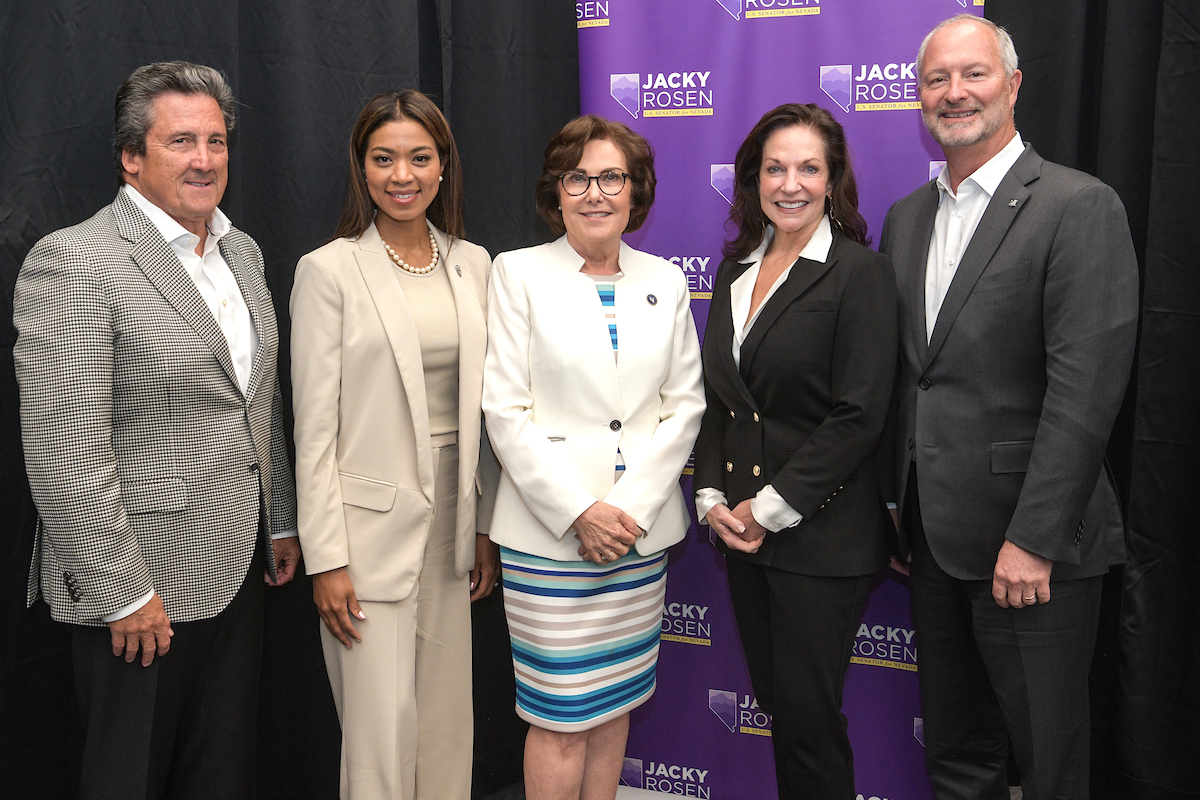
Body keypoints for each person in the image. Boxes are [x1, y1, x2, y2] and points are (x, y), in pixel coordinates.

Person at [13, 61, 299, 800]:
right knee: (126, 780)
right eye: (181, 142)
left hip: (236, 573)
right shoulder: (77, 261)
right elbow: (65, 448)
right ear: (131, 158)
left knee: (221, 776)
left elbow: (256, 398)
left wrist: (280, 520)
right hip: (139, 591)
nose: (204, 160)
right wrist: (122, 591)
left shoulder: (241, 252)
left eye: (216, 141)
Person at [879, 14, 1139, 800]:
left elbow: (1086, 391)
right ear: (919, 97)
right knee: (958, 756)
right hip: (932, 542)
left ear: (1014, 84)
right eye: (936, 79)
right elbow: (914, 379)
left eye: (974, 74)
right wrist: (900, 506)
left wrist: (1033, 539)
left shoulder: (1078, 205)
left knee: (1049, 764)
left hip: (1032, 550)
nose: (954, 93)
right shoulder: (906, 218)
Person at [482, 115, 704, 800]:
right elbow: (505, 410)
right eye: (577, 178)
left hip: (636, 539)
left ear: (636, 190)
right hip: (549, 541)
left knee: (614, 706)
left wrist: (625, 512)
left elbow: (683, 406)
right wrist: (581, 511)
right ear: (556, 191)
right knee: (559, 720)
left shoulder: (665, 280)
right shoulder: (516, 272)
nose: (595, 193)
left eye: (612, 177)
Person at [290, 89, 499, 800]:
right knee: (379, 740)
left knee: (446, 728)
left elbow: (486, 413)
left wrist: (483, 528)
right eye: (383, 159)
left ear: (444, 167)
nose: (402, 175)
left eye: (419, 157)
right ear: (362, 168)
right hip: (365, 539)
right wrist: (327, 558)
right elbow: (314, 429)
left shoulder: (475, 263)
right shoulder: (329, 271)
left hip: (453, 531)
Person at [692, 103, 897, 800]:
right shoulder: (734, 271)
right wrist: (713, 497)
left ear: (833, 179)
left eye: (809, 168)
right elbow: (723, 400)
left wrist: (768, 508)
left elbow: (859, 416)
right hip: (745, 536)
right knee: (784, 711)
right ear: (753, 179)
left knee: (809, 725)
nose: (790, 184)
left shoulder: (859, 274)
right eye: (775, 168)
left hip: (822, 538)